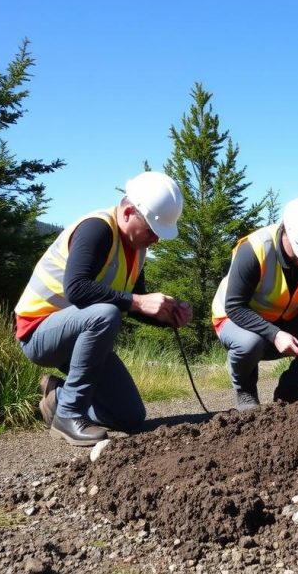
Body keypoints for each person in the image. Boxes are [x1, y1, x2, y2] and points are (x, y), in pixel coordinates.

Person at [14, 172, 193, 445]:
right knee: (106, 314)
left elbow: (133, 303)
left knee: (130, 416)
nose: (155, 240)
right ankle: (69, 414)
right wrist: (138, 301)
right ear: (128, 212)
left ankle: (59, 397)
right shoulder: (96, 229)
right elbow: (77, 289)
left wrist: (168, 315)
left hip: (81, 334)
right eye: (151, 231)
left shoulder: (136, 247)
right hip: (38, 333)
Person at [211, 194, 298, 411]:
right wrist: (274, 334)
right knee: (250, 343)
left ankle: (291, 388)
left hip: (285, 318)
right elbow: (235, 306)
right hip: (236, 320)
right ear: (285, 230)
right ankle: (245, 391)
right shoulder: (254, 249)